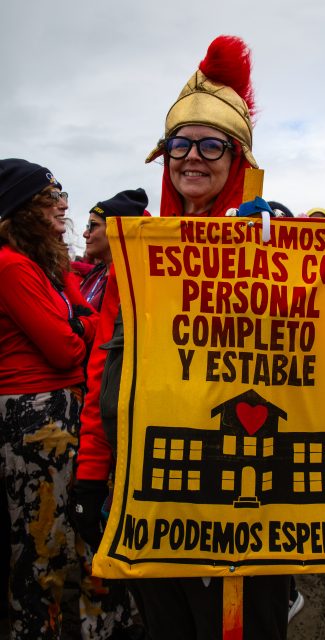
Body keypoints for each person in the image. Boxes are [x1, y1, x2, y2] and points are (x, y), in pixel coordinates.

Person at [74, 36, 292, 640]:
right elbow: (104, 367)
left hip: (242, 490)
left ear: (239, 155)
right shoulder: (136, 251)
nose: (192, 156)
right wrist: (94, 470)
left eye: (211, 143)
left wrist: (286, 246)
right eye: (179, 143)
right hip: (150, 485)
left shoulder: (274, 238)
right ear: (162, 154)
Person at [0, 158, 98, 639]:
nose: (63, 205)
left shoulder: (38, 264)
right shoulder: (10, 266)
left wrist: (79, 325)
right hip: (35, 415)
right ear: (21, 209)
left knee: (53, 535)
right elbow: (64, 349)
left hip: (52, 412)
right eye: (50, 197)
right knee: (41, 541)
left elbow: (79, 319)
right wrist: (82, 329)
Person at [81, 188, 148, 310]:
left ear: (116, 229)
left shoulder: (132, 282)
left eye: (93, 225)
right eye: (87, 226)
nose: (85, 234)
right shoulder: (96, 274)